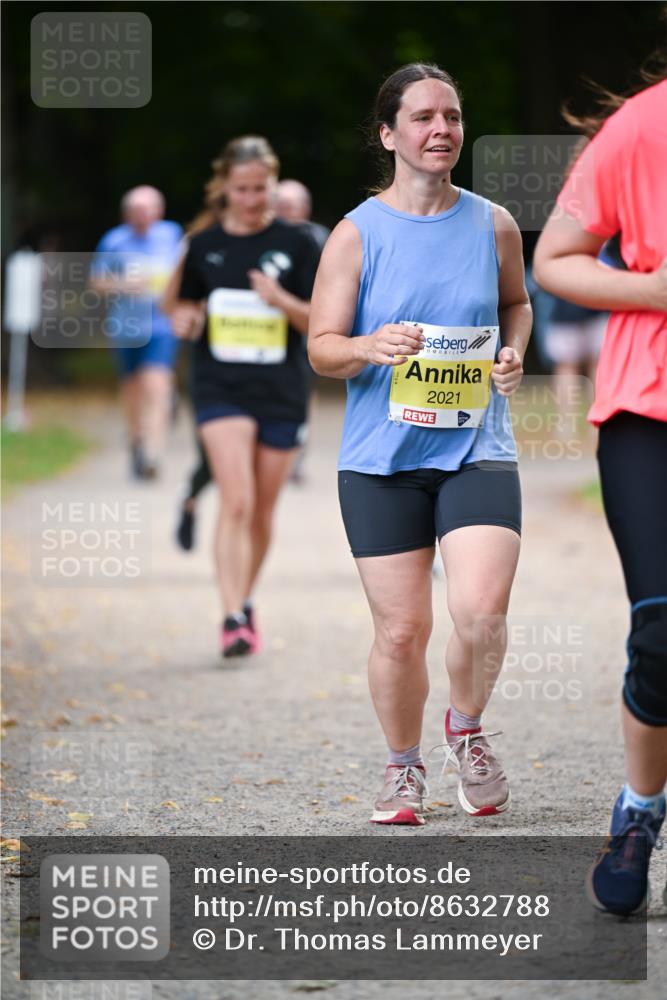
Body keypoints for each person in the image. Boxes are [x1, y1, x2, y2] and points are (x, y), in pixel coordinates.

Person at [308, 63, 531, 825]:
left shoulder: (491, 222)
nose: (441, 130)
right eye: (423, 118)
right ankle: (402, 768)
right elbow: (321, 348)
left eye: (452, 117)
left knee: (481, 611)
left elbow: (515, 303)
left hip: (476, 447)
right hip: (380, 461)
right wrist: (368, 345)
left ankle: (465, 729)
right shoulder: (355, 233)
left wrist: (512, 352)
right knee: (402, 631)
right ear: (388, 134)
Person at [534, 71, 667, 916]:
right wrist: (652, 289)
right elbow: (555, 259)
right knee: (660, 639)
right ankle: (640, 811)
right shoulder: (639, 127)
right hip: (648, 410)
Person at [171, 136, 321, 657]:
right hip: (219, 386)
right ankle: (231, 615)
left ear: (274, 186)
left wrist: (278, 299)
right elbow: (182, 307)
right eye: (242, 189)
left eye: (262, 188)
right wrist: (187, 318)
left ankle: (247, 598)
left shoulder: (301, 243)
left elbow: (323, 322)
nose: (253, 199)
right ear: (224, 188)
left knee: (260, 511)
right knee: (235, 499)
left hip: (281, 388)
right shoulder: (203, 244)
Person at [91, 186, 183, 479]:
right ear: (127, 213)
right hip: (126, 327)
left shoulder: (172, 235)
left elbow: (185, 272)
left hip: (162, 326)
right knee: (133, 391)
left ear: (159, 210)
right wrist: (122, 285)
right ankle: (136, 442)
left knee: (156, 385)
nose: (143, 216)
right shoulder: (114, 240)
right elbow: (97, 282)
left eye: (148, 209)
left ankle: (153, 454)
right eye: (136, 210)